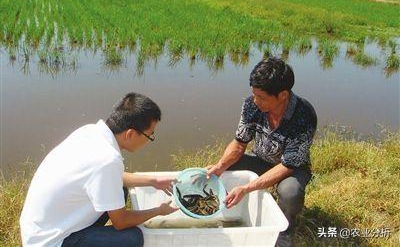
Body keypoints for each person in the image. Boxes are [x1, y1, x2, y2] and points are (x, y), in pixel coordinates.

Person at [20, 92, 179, 247]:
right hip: (51, 241)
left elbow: (112, 177)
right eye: (149, 136)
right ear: (130, 134)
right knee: (132, 238)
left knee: (120, 191)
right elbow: (121, 222)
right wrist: (158, 211)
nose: (149, 140)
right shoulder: (107, 160)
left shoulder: (90, 132)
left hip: (40, 226)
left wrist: (154, 181)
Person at [207, 57, 317, 247]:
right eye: (254, 94)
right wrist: (220, 166)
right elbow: (240, 142)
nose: (256, 101)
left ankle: (285, 231)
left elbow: (289, 164)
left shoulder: (304, 115)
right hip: (261, 159)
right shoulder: (251, 104)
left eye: (262, 98)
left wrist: (248, 187)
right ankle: (229, 209)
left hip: (292, 168)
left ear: (283, 95)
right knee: (225, 169)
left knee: (290, 191)